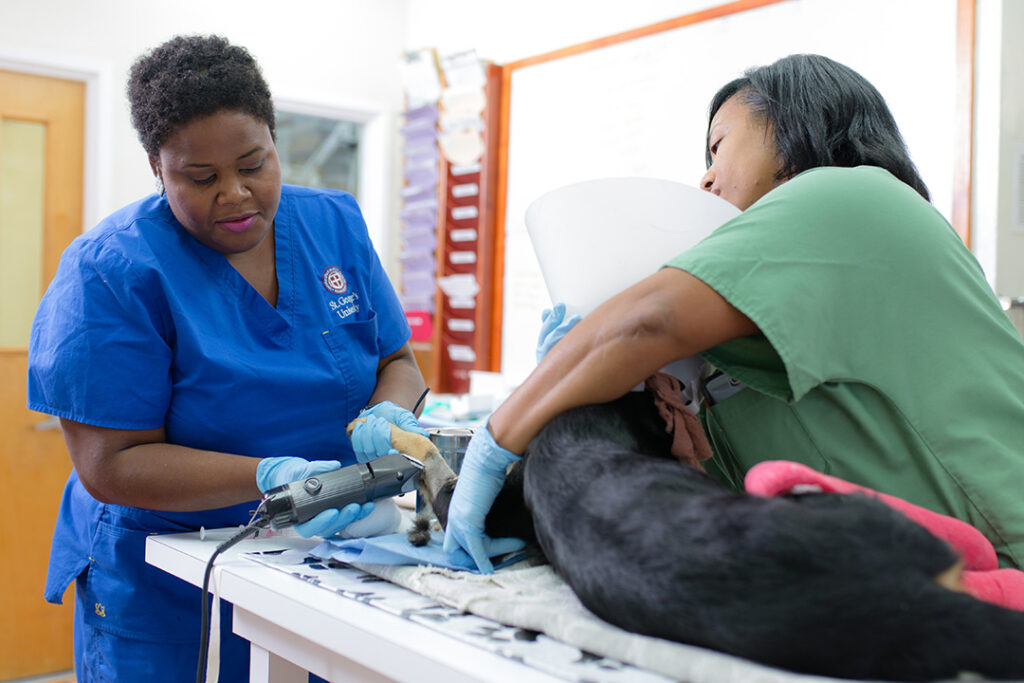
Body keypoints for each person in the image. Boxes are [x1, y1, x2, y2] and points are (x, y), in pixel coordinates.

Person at [443, 53, 1024, 574]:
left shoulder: (852, 196)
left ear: (795, 120)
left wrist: (496, 442)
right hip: (916, 596)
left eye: (719, 146)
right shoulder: (748, 343)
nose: (705, 176)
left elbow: (647, 321)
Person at [28, 35, 428, 681]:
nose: (237, 194)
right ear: (157, 167)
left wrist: (384, 418)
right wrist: (272, 475)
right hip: (167, 576)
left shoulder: (333, 223)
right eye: (202, 177)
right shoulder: (111, 270)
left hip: (318, 552)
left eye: (254, 162)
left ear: (274, 139)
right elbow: (110, 462)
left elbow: (398, 357)